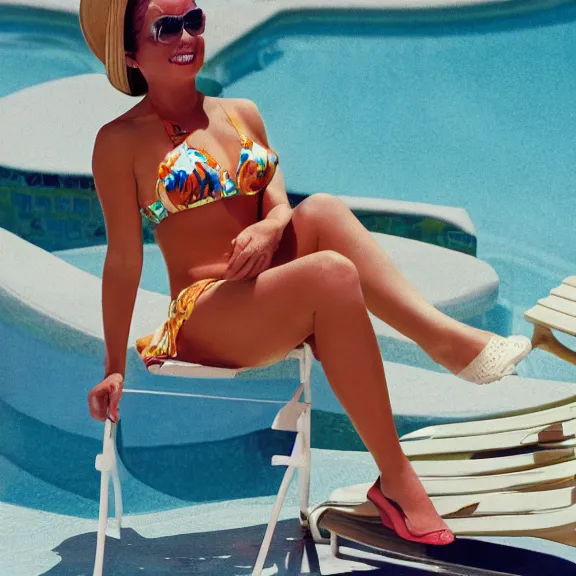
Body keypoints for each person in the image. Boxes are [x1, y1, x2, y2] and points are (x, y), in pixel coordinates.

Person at [79, 0, 532, 546]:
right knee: (331, 274)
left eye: (192, 20)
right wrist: (111, 365)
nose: (186, 37)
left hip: (265, 285)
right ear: (130, 53)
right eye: (166, 27)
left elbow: (279, 203)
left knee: (323, 210)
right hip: (204, 311)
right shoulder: (120, 141)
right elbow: (124, 259)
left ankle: (440, 340)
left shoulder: (241, 112)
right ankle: (397, 478)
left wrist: (270, 228)